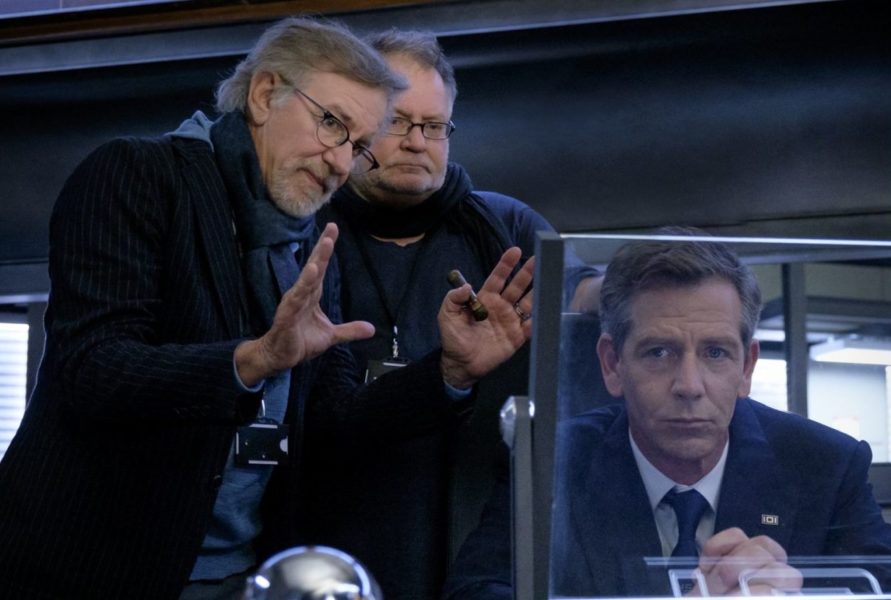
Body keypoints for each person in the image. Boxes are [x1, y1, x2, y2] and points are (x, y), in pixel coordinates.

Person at [0, 17, 537, 600]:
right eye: (332, 123)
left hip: (239, 574)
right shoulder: (139, 174)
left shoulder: (306, 239)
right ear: (264, 94)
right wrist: (251, 361)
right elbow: (92, 368)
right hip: (89, 572)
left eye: (357, 145)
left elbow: (332, 422)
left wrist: (450, 372)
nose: (341, 162)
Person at [303, 29, 600, 600]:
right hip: (333, 517)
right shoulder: (308, 228)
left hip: (470, 513)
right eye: (397, 122)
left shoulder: (504, 226)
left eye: (434, 126)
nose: (418, 142)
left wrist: (640, 280)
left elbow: (585, 293)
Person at [443, 233, 891, 598]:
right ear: (612, 364)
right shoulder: (552, 462)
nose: (689, 386)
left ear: (747, 367)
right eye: (659, 352)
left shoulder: (827, 465)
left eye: (716, 353)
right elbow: (476, 592)